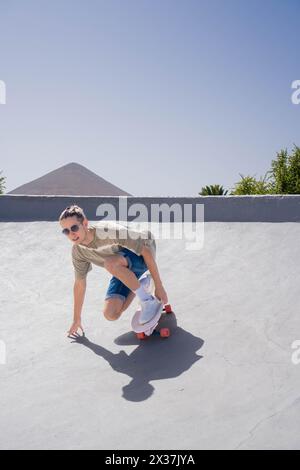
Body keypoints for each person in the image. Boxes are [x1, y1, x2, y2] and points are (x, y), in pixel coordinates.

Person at [59, 205, 168, 336]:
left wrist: (159, 286)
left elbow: (145, 251)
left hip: (143, 253)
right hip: (121, 266)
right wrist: (76, 318)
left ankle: (147, 301)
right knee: (111, 314)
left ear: (85, 223)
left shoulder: (107, 231)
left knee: (109, 263)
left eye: (74, 228)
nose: (71, 234)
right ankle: (142, 286)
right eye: (66, 231)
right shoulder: (78, 252)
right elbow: (79, 284)